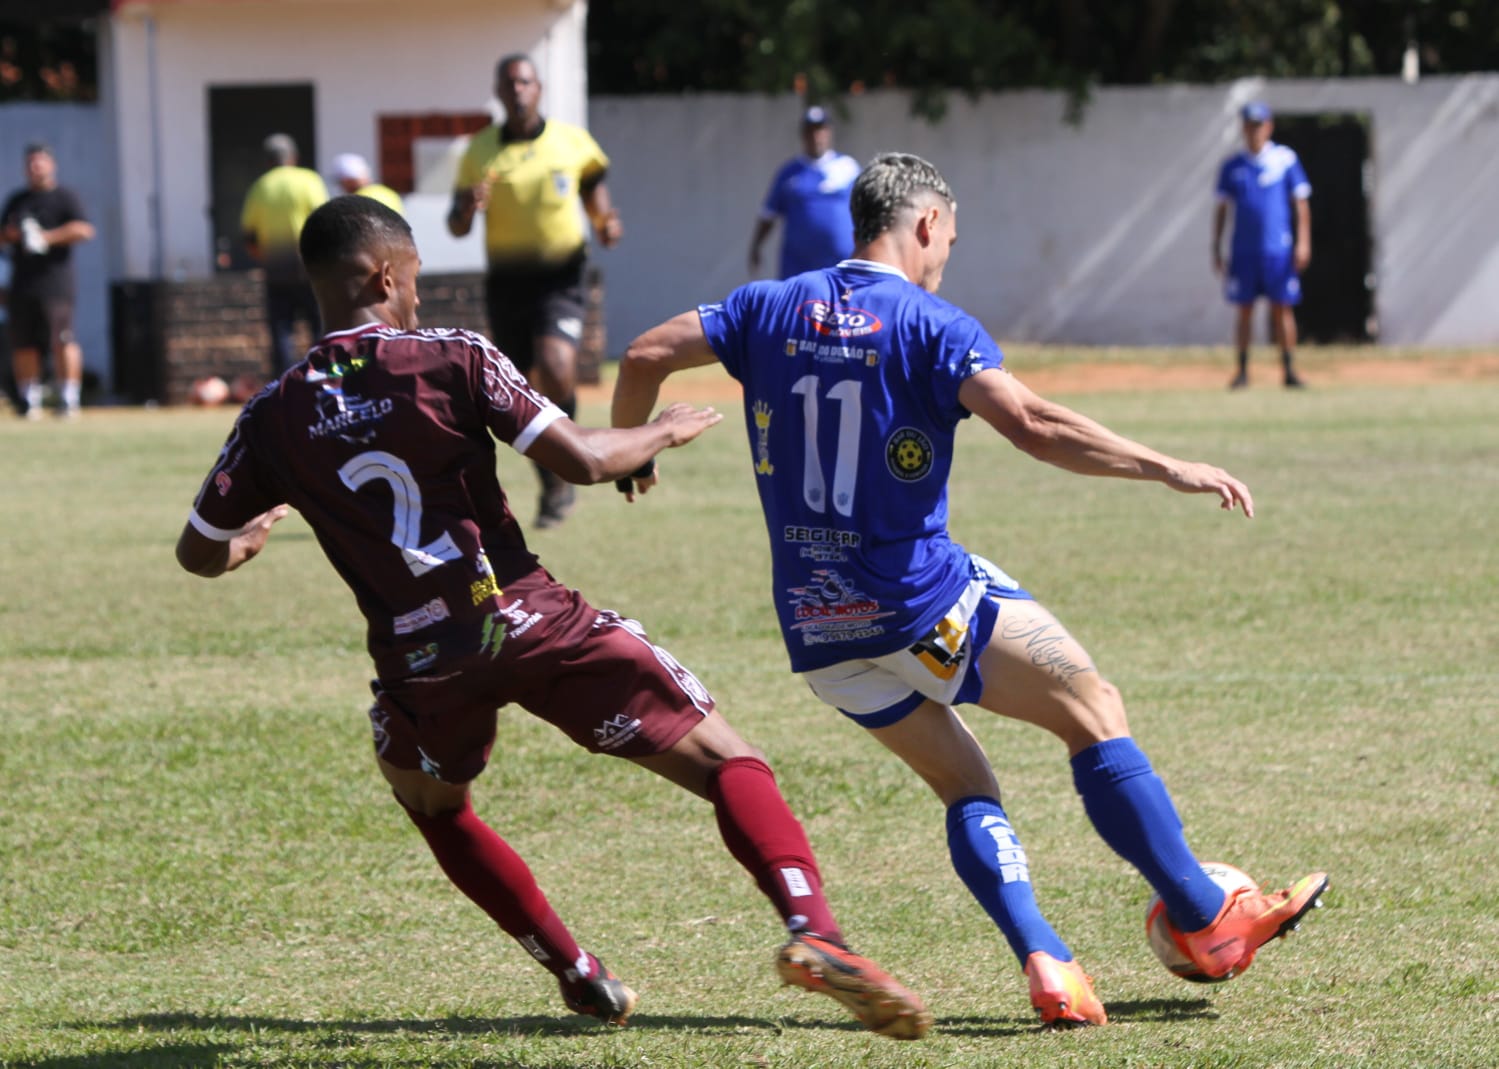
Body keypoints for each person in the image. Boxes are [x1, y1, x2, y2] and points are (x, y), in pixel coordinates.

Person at [175, 194, 930, 1041]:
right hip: (526, 618)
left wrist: (245, 547)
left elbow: (198, 549)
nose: (418, 294)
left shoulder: (272, 412)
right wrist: (660, 430)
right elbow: (580, 456)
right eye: (415, 276)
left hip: (422, 663)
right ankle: (813, 932)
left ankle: (574, 970)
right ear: (386, 273)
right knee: (726, 758)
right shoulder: (449, 355)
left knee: (436, 805)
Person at [612, 152, 1329, 1028]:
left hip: (817, 632)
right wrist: (1166, 466)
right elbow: (1032, 424)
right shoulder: (930, 322)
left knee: (966, 788)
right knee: (1092, 708)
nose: (947, 250)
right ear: (921, 225)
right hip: (918, 602)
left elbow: (645, 352)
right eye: (947, 235)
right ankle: (1205, 915)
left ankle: (1049, 963)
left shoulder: (764, 305)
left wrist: (632, 452)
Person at [448, 53, 623, 529]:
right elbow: (457, 226)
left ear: (538, 88)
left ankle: (570, 460)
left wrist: (605, 223)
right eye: (510, 84)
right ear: (500, 92)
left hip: (561, 276)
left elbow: (595, 193)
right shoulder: (479, 151)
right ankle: (552, 483)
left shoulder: (571, 142)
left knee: (557, 365)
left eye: (526, 82)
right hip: (507, 283)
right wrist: (466, 207)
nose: (519, 90)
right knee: (520, 387)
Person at [1213, 102, 1312, 389]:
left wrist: (1303, 242)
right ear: (1243, 128)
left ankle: (1289, 370)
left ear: (1269, 126)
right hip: (1243, 250)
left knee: (1283, 308)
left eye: (1260, 125)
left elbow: (1301, 204)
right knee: (1244, 310)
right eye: (1250, 125)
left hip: (1278, 250)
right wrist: (1216, 246)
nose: (1254, 131)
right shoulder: (1233, 166)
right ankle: (1242, 371)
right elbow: (1222, 209)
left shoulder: (1285, 160)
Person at [0, 142, 95, 419]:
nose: (35, 167)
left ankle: (69, 397)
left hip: (56, 283)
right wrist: (14, 235)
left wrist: (47, 237)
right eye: (30, 162)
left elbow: (84, 229)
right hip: (22, 282)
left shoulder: (65, 197)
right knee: (23, 342)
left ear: (51, 165)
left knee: (62, 339)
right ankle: (30, 399)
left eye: (40, 161)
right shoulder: (17, 200)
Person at [241, 133, 329, 378]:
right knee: (320, 326)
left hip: (276, 271)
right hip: (311, 268)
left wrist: (266, 258)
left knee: (281, 331)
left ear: (268, 161)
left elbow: (249, 237)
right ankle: (324, 376)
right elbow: (325, 221)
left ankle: (285, 383)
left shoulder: (260, 187)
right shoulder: (309, 180)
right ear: (294, 157)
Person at [748, 106, 860, 280]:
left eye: (820, 130)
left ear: (828, 132)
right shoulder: (789, 173)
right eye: (810, 131)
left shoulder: (848, 167)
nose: (816, 137)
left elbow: (868, 210)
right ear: (803, 135)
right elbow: (768, 214)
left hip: (840, 266)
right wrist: (756, 247)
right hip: (799, 267)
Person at [332, 153, 405, 215]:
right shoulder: (388, 193)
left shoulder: (356, 201)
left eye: (341, 182)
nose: (341, 187)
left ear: (347, 180)